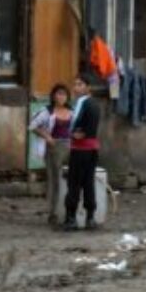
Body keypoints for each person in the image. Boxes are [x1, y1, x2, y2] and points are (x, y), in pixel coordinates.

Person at [29, 84, 72, 226]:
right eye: (58, 94)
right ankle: (53, 213)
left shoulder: (71, 111)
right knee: (55, 181)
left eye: (64, 94)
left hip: (70, 147)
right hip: (54, 148)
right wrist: (47, 137)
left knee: (70, 180)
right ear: (53, 96)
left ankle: (68, 211)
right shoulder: (47, 111)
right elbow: (32, 126)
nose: (61, 97)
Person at [63, 74, 101, 231]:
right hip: (92, 149)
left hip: (80, 148)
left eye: (79, 84)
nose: (76, 87)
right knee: (88, 182)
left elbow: (77, 129)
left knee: (74, 183)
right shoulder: (95, 104)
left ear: (88, 87)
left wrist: (73, 134)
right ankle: (90, 217)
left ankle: (71, 218)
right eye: (75, 84)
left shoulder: (82, 103)